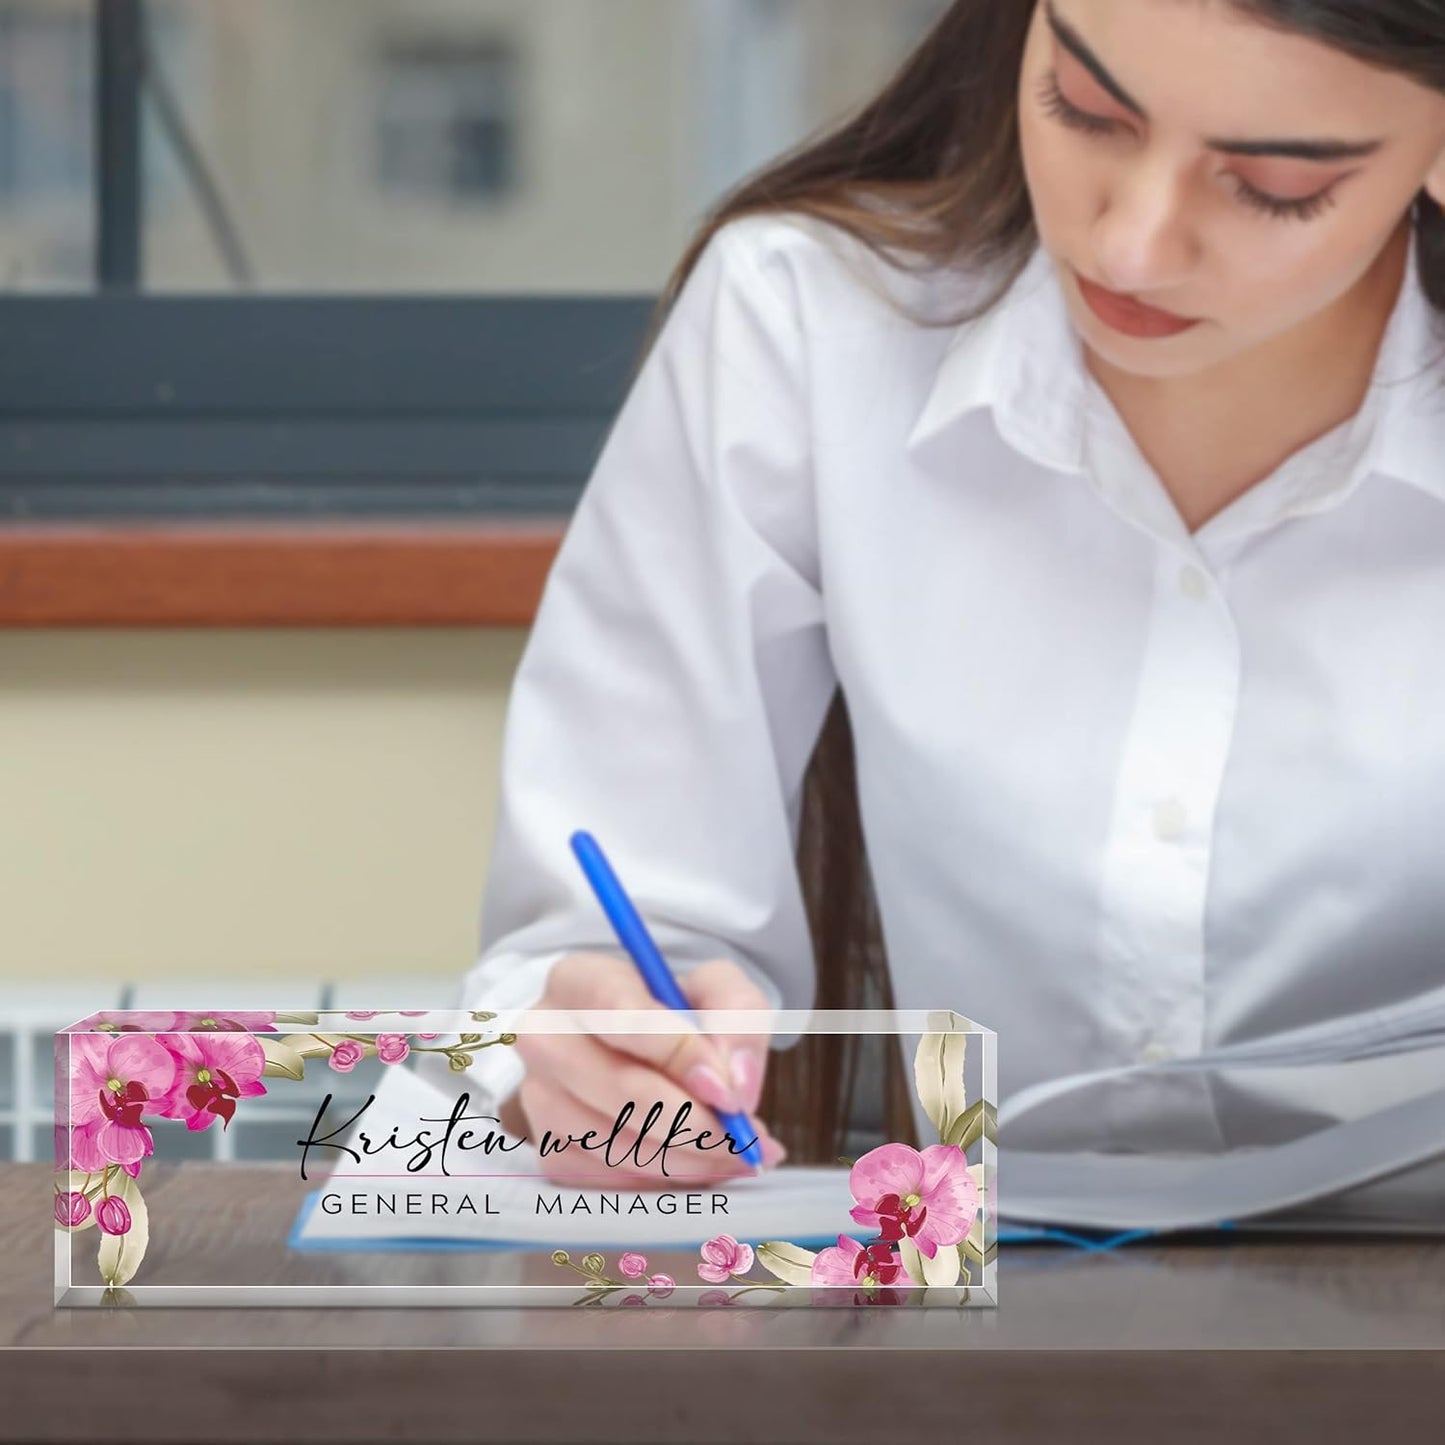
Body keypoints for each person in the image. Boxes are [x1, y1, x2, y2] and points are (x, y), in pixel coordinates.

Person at [457, 0, 1445, 1200]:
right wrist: (595, 1061)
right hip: (963, 1330)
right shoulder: (808, 319)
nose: (1129, 246)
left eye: (1273, 185)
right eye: (1083, 110)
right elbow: (597, 946)